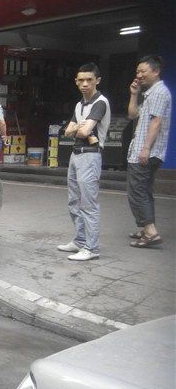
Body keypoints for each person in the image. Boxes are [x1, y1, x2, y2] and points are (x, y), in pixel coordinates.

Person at [57, 62, 111, 261]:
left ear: (97, 80)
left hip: (90, 155)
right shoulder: (79, 105)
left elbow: (83, 131)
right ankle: (80, 241)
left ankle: (92, 248)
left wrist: (77, 129)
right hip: (76, 154)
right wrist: (77, 129)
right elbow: (68, 130)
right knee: (73, 201)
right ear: (76, 82)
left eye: (89, 80)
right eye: (81, 80)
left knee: (88, 203)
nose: (85, 84)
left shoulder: (100, 102)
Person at [126, 55, 172, 248]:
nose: (139, 75)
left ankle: (151, 232)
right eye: (137, 71)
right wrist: (134, 94)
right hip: (143, 151)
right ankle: (146, 229)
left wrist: (145, 148)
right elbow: (132, 114)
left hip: (145, 152)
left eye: (143, 71)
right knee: (144, 191)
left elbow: (156, 121)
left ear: (156, 71)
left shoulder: (160, 93)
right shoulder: (150, 93)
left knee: (137, 192)